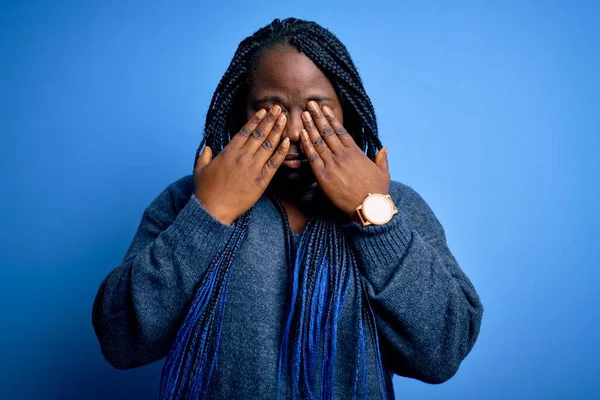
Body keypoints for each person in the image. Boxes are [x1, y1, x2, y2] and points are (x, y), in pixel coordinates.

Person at [92, 17, 484, 400]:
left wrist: (372, 213)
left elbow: (442, 355)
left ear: (346, 110)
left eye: (317, 109)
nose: (296, 131)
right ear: (238, 113)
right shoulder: (187, 200)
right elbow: (121, 341)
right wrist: (210, 212)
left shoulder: (396, 205)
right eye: (270, 109)